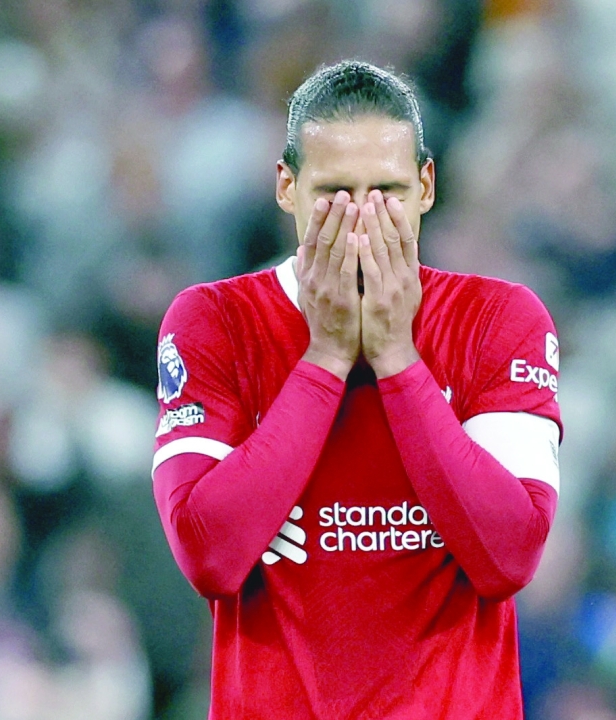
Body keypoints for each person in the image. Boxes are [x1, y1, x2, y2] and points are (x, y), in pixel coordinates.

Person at [151, 60, 562, 719]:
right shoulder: (217, 321)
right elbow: (207, 555)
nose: (363, 221)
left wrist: (396, 357)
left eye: (388, 192)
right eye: (334, 193)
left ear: (426, 186)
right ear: (286, 186)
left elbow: (508, 557)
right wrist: (327, 358)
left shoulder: (497, 320)